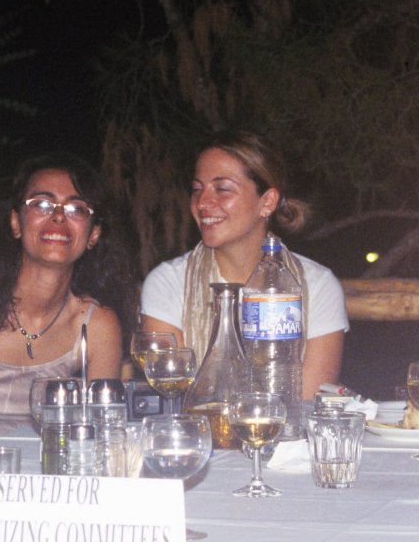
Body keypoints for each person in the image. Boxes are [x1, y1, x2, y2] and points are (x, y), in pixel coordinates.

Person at [140, 130, 347, 399]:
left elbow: (307, 402)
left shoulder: (316, 286)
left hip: (287, 428)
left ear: (267, 202)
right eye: (197, 189)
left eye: (222, 189)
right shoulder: (169, 283)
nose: (202, 202)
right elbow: (175, 397)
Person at [0, 151, 137, 443]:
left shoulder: (96, 325)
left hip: (55, 469)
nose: (58, 216)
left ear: (93, 234)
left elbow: (99, 435)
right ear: (16, 223)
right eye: (42, 204)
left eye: (76, 208)